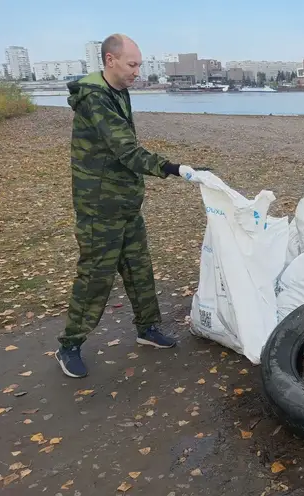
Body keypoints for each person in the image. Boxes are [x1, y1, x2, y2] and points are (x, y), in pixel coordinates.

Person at [56, 34, 208, 378]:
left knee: (139, 268)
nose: (137, 71)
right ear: (110, 60)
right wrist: (176, 169)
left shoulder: (118, 92)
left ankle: (147, 329)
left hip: (124, 202)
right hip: (99, 208)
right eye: (132, 64)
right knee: (96, 276)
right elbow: (126, 151)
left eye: (138, 64)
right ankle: (69, 345)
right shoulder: (96, 99)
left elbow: (124, 152)